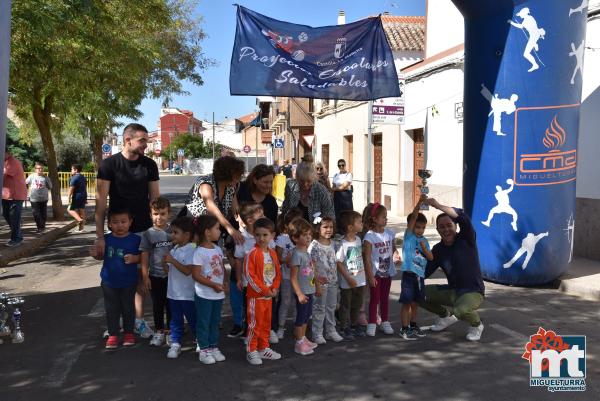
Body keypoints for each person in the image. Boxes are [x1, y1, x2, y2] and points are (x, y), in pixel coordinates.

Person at [95, 123, 160, 338]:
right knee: (116, 276)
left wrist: (159, 229)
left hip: (142, 229)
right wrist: (99, 238)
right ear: (127, 140)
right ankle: (117, 324)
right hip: (117, 231)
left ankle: (137, 322)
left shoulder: (150, 165)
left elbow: (155, 200)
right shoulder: (109, 165)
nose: (146, 145)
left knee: (141, 277)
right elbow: (100, 202)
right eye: (142, 141)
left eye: (146, 141)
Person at [421, 198, 485, 342]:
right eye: (441, 227)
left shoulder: (466, 238)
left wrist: (438, 206)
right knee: (416, 292)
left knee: (461, 310)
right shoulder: (438, 249)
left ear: (455, 226)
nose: (446, 230)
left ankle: (477, 325)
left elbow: (462, 217)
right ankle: (445, 317)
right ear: (437, 230)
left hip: (473, 291)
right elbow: (425, 271)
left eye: (449, 225)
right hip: (453, 291)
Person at [90, 209, 141, 349]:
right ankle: (113, 334)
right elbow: (100, 256)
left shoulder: (136, 239)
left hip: (128, 281)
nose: (120, 225)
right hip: (109, 281)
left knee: (128, 308)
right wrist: (95, 254)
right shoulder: (105, 239)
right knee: (111, 308)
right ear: (109, 224)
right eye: (115, 222)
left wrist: (135, 258)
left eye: (123, 222)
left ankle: (129, 333)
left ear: (130, 222)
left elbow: (144, 257)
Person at [244, 217, 282, 366]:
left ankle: (263, 347)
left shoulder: (272, 253)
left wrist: (274, 288)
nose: (261, 238)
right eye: (258, 235)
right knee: (255, 324)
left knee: (266, 323)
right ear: (254, 235)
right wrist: (265, 290)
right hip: (256, 298)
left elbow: (277, 272)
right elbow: (250, 276)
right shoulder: (252, 253)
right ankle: (251, 350)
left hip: (269, 296)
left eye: (265, 235)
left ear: (272, 235)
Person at [230, 202, 270, 339]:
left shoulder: (267, 234)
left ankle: (266, 331)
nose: (265, 217)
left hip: (267, 282)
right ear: (251, 221)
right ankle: (250, 334)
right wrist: (239, 278)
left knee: (266, 307)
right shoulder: (242, 238)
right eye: (262, 215)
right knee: (251, 309)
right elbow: (238, 259)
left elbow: (273, 256)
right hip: (250, 283)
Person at [192, 215, 228, 364]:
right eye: (217, 228)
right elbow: (195, 274)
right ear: (207, 232)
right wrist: (212, 285)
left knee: (215, 321)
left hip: (217, 294)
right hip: (204, 294)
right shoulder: (199, 252)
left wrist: (224, 281)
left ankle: (213, 346)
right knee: (204, 321)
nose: (220, 231)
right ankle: (204, 348)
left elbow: (221, 268)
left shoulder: (218, 249)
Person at [185, 155, 245, 245]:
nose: (239, 179)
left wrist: (240, 220)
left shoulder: (232, 186)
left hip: (214, 226)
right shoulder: (205, 183)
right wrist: (230, 228)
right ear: (226, 175)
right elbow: (211, 207)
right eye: (236, 176)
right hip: (196, 227)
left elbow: (235, 208)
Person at [362, 202, 400, 337]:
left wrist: (396, 254)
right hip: (376, 273)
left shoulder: (390, 233)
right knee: (375, 298)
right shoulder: (369, 236)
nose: (386, 219)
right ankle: (372, 322)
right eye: (383, 217)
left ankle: (385, 321)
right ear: (374, 219)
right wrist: (370, 276)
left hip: (388, 272)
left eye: (386, 216)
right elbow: (366, 258)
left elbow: (393, 248)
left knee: (384, 297)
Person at [139, 197, 173, 347]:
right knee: (158, 305)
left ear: (169, 214)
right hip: (155, 277)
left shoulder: (174, 231)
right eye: (155, 214)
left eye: (163, 213)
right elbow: (145, 256)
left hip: (173, 277)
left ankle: (172, 332)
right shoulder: (148, 234)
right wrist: (145, 276)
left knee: (171, 305)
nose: (159, 217)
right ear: (150, 214)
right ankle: (159, 332)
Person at [399, 196, 433, 340]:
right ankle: (404, 328)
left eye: (423, 227)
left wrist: (425, 249)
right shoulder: (409, 236)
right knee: (407, 303)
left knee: (415, 303)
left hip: (420, 277)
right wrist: (419, 203)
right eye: (418, 227)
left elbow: (431, 258)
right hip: (409, 274)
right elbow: (413, 218)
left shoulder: (424, 240)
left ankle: (413, 325)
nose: (420, 230)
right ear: (412, 227)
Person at [163, 216, 197, 358]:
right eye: (172, 232)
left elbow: (187, 270)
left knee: (194, 319)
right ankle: (175, 343)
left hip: (188, 295)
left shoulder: (192, 250)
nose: (172, 235)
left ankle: (201, 341)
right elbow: (168, 271)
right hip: (173, 294)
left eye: (176, 232)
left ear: (187, 235)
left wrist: (172, 261)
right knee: (175, 320)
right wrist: (164, 263)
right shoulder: (174, 250)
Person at [308, 216, 343, 344]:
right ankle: (317, 333)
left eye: (331, 227)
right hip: (320, 283)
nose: (329, 229)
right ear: (318, 228)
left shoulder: (334, 244)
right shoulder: (314, 246)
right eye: (325, 227)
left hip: (333, 281)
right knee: (319, 307)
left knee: (331, 307)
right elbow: (311, 266)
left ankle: (330, 330)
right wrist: (316, 284)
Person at [336, 210, 366, 340]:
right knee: (345, 304)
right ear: (350, 227)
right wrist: (348, 278)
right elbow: (339, 262)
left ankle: (354, 325)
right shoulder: (342, 244)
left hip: (359, 280)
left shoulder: (358, 239)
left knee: (357, 304)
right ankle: (344, 326)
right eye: (359, 222)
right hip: (347, 282)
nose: (362, 224)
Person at [289, 218, 318, 355]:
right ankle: (299, 342)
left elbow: (309, 271)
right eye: (305, 235)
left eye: (309, 234)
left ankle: (303, 338)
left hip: (309, 289)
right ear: (295, 238)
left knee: (307, 316)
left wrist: (318, 280)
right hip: (302, 291)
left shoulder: (306, 252)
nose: (308, 237)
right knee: (301, 317)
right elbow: (293, 277)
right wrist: (299, 293)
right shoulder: (296, 254)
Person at [274, 208, 303, 340]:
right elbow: (278, 258)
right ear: (287, 225)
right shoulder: (282, 239)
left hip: (299, 277)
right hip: (286, 276)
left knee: (299, 301)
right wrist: (286, 260)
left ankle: (298, 326)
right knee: (286, 301)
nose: (297, 225)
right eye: (294, 222)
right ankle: (280, 327)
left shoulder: (302, 238)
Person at [2, 149, 27, 246]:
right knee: (6, 214)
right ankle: (18, 233)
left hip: (16, 194)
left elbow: (3, 175)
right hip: (6, 195)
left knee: (14, 217)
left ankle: (16, 239)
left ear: (8, 153)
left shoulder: (13, 162)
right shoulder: (4, 161)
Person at [25, 162, 52, 233]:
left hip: (43, 198)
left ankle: (42, 227)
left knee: (43, 213)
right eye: (38, 168)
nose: (40, 170)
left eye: (41, 168)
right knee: (36, 213)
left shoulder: (46, 177)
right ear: (35, 169)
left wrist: (46, 186)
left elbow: (50, 187)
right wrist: (26, 191)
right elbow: (25, 183)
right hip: (34, 198)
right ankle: (40, 227)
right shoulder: (31, 176)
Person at [332, 159, 353, 225]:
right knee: (337, 212)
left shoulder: (348, 174)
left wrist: (335, 188)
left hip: (346, 196)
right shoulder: (335, 175)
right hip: (337, 196)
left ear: (345, 165)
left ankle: (346, 228)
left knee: (347, 213)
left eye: (342, 165)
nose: (341, 167)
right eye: (339, 165)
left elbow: (344, 186)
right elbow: (333, 186)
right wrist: (335, 189)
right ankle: (339, 229)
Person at [68, 164, 87, 231]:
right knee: (81, 211)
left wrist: (69, 196)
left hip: (77, 196)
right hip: (83, 195)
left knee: (70, 209)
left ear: (76, 170)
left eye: (72, 169)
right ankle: (81, 228)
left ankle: (80, 220)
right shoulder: (83, 177)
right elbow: (84, 187)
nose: (71, 171)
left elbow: (71, 188)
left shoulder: (74, 177)